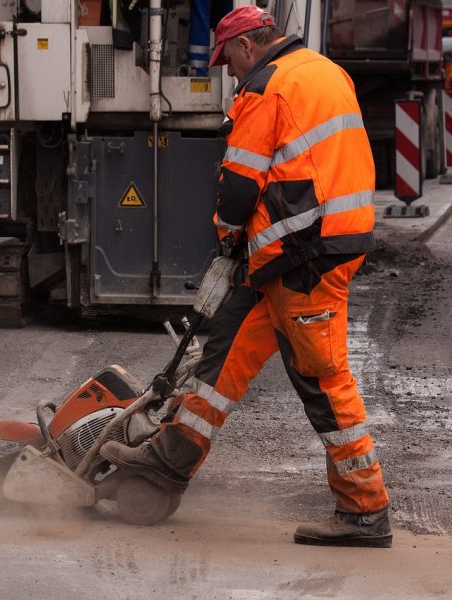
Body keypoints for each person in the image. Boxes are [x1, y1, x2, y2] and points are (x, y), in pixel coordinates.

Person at [101, 5, 392, 548]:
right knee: (223, 358)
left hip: (305, 255)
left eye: (227, 60)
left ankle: (365, 510)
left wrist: (227, 237)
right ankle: (168, 463)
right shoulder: (326, 71)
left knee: (323, 381)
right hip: (299, 250)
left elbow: (238, 188)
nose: (228, 71)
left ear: (245, 47)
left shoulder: (264, 87)